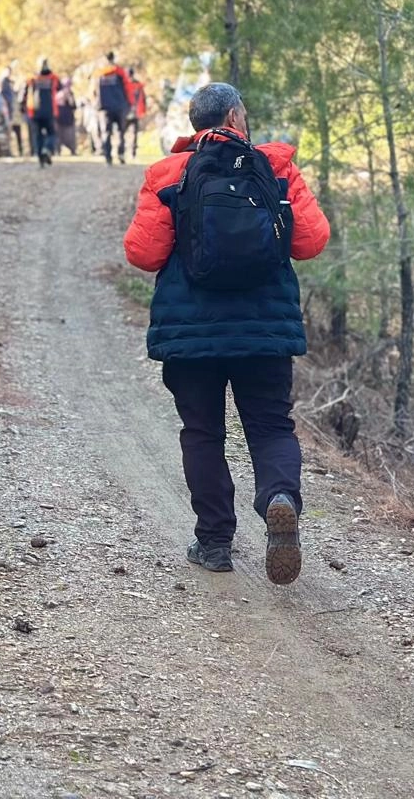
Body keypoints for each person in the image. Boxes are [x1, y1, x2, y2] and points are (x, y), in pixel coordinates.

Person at [122, 82, 330, 584]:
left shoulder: (168, 173)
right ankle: (279, 497)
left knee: (203, 433)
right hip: (265, 329)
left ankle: (214, 542)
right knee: (271, 426)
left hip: (190, 333)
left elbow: (143, 253)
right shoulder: (276, 168)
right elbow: (311, 241)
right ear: (236, 117)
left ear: (195, 123)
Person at [96, 51, 134, 165]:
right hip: (119, 106)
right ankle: (120, 154)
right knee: (121, 131)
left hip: (105, 107)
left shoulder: (99, 73)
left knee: (106, 132)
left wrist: (97, 104)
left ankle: (108, 157)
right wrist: (130, 103)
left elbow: (94, 90)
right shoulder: (120, 71)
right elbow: (127, 87)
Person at [21, 59, 60, 167]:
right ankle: (47, 149)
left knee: (38, 135)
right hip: (49, 111)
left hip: (34, 111)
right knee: (51, 133)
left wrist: (22, 108)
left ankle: (40, 158)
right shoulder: (53, 78)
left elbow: (23, 95)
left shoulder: (31, 79)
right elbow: (59, 89)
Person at [0, 63, 25, 156]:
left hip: (13, 113)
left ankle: (18, 151)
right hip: (9, 112)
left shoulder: (9, 83)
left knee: (15, 132)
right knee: (9, 133)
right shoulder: (4, 82)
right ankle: (10, 151)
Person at [55, 78, 78, 156]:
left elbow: (73, 106)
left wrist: (69, 97)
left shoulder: (70, 94)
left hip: (68, 118)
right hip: (59, 118)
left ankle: (73, 150)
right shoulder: (57, 93)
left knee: (70, 136)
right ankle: (57, 151)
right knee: (59, 135)